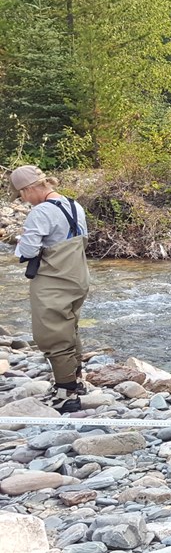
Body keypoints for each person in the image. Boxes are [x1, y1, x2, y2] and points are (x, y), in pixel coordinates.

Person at [9, 165, 91, 413]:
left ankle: (66, 394)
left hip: (54, 279)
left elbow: (28, 251)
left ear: (30, 188)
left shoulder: (40, 212)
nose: (23, 200)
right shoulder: (74, 205)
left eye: (21, 194)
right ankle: (75, 383)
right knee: (69, 327)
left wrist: (22, 243)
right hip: (78, 276)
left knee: (52, 334)